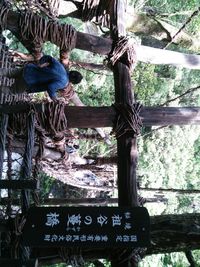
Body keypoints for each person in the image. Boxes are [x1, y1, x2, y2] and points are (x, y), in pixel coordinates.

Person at [0, 55, 83, 100]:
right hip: (28, 81)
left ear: (72, 72)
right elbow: (50, 87)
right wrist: (54, 98)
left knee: (8, 72)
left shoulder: (61, 67)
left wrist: (39, 63)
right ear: (72, 82)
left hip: (29, 69)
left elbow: (48, 58)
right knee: (12, 90)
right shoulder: (64, 82)